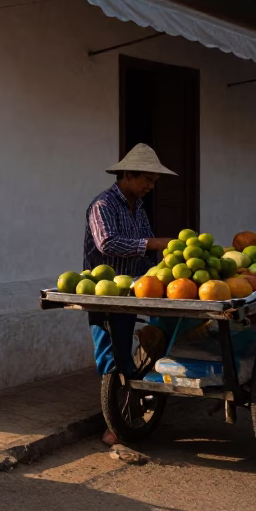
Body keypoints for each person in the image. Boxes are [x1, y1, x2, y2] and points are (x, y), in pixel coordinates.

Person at [84, 143, 176, 444]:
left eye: (153, 181)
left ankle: (132, 413)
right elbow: (107, 243)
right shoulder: (103, 206)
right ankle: (116, 423)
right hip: (107, 293)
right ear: (127, 174)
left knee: (140, 347)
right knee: (112, 355)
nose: (150, 186)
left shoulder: (139, 208)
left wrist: (171, 269)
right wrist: (154, 244)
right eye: (146, 179)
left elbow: (147, 253)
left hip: (137, 290)